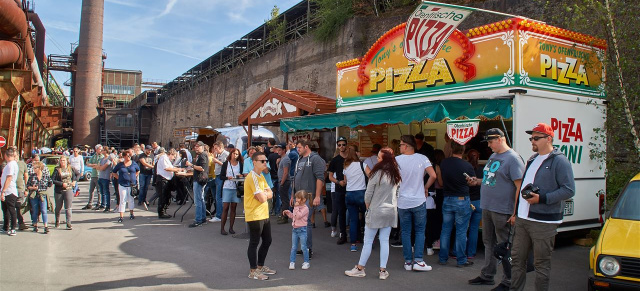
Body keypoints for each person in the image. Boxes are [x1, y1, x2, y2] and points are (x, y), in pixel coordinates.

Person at [510, 123, 575, 291]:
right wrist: (516, 213)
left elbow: (569, 190)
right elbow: (522, 186)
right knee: (517, 259)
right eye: (531, 138)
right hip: (523, 219)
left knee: (541, 264)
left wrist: (543, 198)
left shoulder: (560, 161)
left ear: (549, 139)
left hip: (543, 221)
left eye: (536, 138)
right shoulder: (532, 159)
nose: (533, 141)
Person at [467, 128, 525, 291]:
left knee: (504, 246)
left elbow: (519, 188)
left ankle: (509, 281)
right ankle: (487, 275)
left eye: (491, 142)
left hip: (502, 209)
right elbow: (490, 179)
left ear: (500, 139)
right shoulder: (494, 156)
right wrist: (476, 181)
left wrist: (515, 213)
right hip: (488, 207)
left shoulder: (513, 159)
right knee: (489, 242)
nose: (489, 146)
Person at [344, 147, 400, 280]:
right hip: (390, 210)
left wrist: (368, 207)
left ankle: (360, 268)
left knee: (368, 241)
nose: (377, 160)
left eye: (379, 158)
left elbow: (368, 195)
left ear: (384, 159)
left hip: (375, 210)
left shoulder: (377, 174)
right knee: (384, 240)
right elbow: (398, 194)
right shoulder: (396, 174)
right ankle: (382, 271)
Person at [395, 135, 436, 271]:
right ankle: (418, 260)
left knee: (406, 231)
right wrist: (425, 187)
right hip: (418, 200)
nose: (399, 147)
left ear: (406, 146)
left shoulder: (397, 160)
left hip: (402, 201)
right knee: (420, 231)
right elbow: (433, 175)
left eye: (400, 145)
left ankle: (408, 261)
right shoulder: (422, 158)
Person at [438, 141, 475, 267]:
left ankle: (443, 258)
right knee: (461, 231)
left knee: (446, 229)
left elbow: (442, 179)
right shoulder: (467, 166)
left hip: (447, 197)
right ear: (463, 150)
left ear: (452, 148)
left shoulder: (444, 163)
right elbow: (472, 182)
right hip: (461, 198)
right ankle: (461, 260)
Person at [245, 151, 276, 280]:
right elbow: (262, 198)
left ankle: (260, 266)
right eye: (262, 161)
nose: (265, 163)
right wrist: (265, 194)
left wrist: (265, 194)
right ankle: (253, 271)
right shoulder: (252, 177)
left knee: (267, 240)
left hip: (264, 213)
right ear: (254, 162)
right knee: (254, 242)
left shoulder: (261, 176)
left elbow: (270, 193)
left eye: (266, 161)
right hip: (254, 214)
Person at [293, 140, 326, 258]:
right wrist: (293, 195)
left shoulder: (315, 159)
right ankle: (304, 247)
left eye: (300, 147)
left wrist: (317, 196)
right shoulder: (299, 159)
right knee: (299, 222)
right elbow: (295, 178)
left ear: (306, 147)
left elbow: (320, 178)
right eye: (297, 148)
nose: (298, 149)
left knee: (305, 222)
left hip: (309, 196)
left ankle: (308, 248)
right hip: (299, 196)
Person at [343, 146, 368, 252]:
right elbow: (371, 176)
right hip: (361, 193)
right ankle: (368, 241)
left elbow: (345, 181)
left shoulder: (345, 167)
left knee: (353, 220)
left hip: (349, 194)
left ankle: (353, 244)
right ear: (356, 154)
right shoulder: (363, 164)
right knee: (367, 219)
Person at [328, 136, 348, 244]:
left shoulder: (351, 158)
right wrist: (338, 182)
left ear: (346, 145)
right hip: (339, 189)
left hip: (351, 189)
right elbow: (330, 176)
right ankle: (342, 234)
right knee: (341, 212)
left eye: (343, 144)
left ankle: (356, 235)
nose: (341, 147)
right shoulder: (335, 160)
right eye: (339, 145)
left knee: (354, 212)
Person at [283, 190, 311, 270]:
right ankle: (292, 262)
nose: (296, 199)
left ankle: (306, 262)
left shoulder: (305, 208)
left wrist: (295, 207)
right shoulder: (297, 208)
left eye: (298, 198)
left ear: (304, 200)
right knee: (294, 247)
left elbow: (298, 216)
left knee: (303, 247)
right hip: (295, 229)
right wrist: (289, 213)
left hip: (302, 230)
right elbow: (295, 216)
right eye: (296, 198)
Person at [219, 148, 243, 235]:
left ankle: (231, 228)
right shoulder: (226, 164)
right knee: (225, 207)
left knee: (233, 208)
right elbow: (221, 176)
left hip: (235, 188)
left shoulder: (240, 164)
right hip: (227, 187)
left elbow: (242, 174)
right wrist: (227, 177)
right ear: (231, 154)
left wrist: (240, 175)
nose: (235, 155)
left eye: (237, 154)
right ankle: (222, 228)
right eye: (234, 153)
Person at [112, 150, 140, 223]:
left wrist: (134, 176)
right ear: (124, 156)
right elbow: (114, 172)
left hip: (131, 184)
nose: (129, 157)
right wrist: (119, 178)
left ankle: (131, 213)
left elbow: (138, 170)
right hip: (122, 184)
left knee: (131, 199)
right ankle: (121, 216)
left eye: (130, 155)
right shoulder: (120, 164)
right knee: (123, 199)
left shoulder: (133, 163)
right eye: (128, 156)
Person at [186, 141, 210, 228]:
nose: (196, 148)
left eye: (198, 146)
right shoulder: (202, 155)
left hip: (199, 179)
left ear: (202, 147)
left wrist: (191, 165)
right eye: (195, 146)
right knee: (201, 199)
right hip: (200, 179)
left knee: (198, 200)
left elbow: (201, 168)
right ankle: (202, 218)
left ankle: (198, 220)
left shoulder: (203, 155)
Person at [466, 149, 483, 260]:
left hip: (468, 201)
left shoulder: (466, 169)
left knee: (463, 228)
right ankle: (471, 253)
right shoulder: (482, 170)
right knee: (474, 228)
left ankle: (460, 251)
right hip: (479, 201)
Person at [26, 161, 53, 233]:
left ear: (40, 168)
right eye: (33, 168)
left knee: (44, 210)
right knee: (35, 211)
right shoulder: (32, 176)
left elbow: (50, 183)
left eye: (35, 168)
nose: (34, 169)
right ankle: (35, 225)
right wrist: (32, 188)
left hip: (42, 194)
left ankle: (46, 226)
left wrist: (45, 188)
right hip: (34, 195)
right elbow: (27, 186)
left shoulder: (45, 176)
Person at [51, 156, 77, 230]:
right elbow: (53, 180)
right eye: (61, 161)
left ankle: (68, 223)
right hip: (59, 190)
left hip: (68, 189)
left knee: (68, 207)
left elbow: (74, 176)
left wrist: (74, 182)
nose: (62, 162)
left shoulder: (70, 168)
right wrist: (62, 184)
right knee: (58, 207)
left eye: (64, 160)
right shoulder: (57, 169)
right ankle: (57, 221)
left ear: (66, 161)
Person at [155, 148, 179, 219]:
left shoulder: (166, 158)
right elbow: (167, 168)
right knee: (163, 197)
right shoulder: (164, 158)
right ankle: (161, 213)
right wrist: (177, 169)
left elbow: (170, 167)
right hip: (162, 179)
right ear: (171, 154)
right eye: (174, 156)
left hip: (166, 179)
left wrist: (175, 168)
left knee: (167, 196)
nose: (174, 158)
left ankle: (164, 211)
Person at [1, 148, 20, 236]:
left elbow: (9, 178)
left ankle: (13, 228)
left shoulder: (11, 165)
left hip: (9, 190)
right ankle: (6, 226)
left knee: (11, 209)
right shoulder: (10, 164)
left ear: (6, 155)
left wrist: (4, 190)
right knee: (5, 209)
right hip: (6, 190)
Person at [209, 141, 228, 222]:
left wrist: (217, 161)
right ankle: (218, 213)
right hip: (216, 175)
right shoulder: (218, 154)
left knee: (219, 196)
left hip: (221, 176)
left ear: (220, 148)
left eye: (216, 148)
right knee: (216, 194)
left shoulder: (226, 154)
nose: (215, 150)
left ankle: (219, 216)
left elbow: (226, 165)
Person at [84, 145, 104, 210]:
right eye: (100, 149)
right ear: (96, 149)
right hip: (93, 175)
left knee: (99, 191)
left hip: (99, 175)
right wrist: (94, 165)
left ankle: (99, 203)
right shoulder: (94, 156)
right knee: (91, 190)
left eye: (101, 149)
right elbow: (88, 163)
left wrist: (94, 165)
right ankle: (90, 203)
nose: (101, 150)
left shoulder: (102, 157)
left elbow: (99, 165)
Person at [276, 143, 291, 224]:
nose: (278, 151)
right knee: (283, 199)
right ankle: (283, 215)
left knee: (284, 199)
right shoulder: (282, 158)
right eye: (277, 150)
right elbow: (281, 170)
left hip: (284, 181)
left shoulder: (285, 159)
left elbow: (285, 172)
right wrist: (277, 163)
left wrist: (282, 183)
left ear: (284, 150)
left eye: (280, 150)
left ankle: (285, 217)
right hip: (282, 180)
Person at [137, 145, 155, 210]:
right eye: (148, 150)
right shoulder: (142, 155)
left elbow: (153, 163)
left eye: (150, 150)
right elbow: (144, 163)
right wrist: (153, 167)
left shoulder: (152, 155)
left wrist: (154, 166)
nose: (149, 151)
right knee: (142, 187)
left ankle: (144, 199)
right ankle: (140, 200)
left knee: (146, 187)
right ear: (146, 150)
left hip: (149, 173)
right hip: (143, 173)